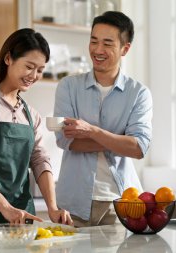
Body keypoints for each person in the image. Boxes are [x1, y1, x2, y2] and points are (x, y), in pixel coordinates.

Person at [0, 28, 73, 237]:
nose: (34, 76)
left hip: (23, 218)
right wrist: (6, 208)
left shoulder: (32, 115)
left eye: (40, 70)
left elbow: (39, 160)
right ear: (8, 58)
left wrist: (53, 208)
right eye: (29, 66)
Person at [54, 11, 152, 227]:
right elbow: (66, 141)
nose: (98, 50)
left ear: (125, 49)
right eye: (93, 41)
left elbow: (138, 148)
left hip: (121, 203)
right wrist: (119, 140)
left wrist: (91, 131)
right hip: (73, 202)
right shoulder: (68, 87)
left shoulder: (138, 93)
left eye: (107, 43)